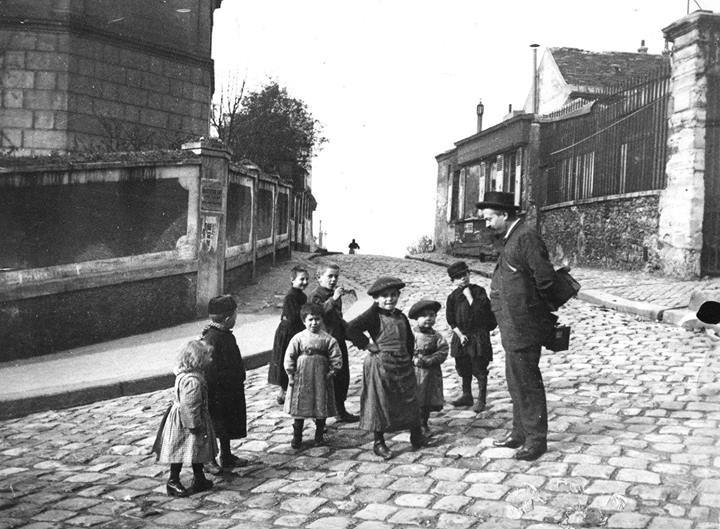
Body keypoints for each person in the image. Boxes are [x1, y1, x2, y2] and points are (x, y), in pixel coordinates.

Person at [477, 191, 558, 461]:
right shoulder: (512, 238)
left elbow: (545, 279)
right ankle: (519, 432)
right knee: (515, 382)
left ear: (504, 215)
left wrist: (534, 315)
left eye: (489, 218)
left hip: (524, 326)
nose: (486, 224)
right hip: (513, 326)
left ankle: (536, 440)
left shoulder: (525, 237)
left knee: (527, 382)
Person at [346, 276, 425, 460]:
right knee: (380, 402)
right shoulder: (373, 315)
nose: (389, 299)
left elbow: (409, 339)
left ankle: (416, 435)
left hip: (402, 364)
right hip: (381, 364)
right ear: (376, 298)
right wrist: (367, 344)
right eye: (385, 296)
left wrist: (410, 355)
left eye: (393, 295)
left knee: (410, 398)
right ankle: (379, 442)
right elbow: (350, 329)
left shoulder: (400, 316)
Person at [152, 340, 216, 497]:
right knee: (180, 450)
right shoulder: (193, 381)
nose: (211, 359)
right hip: (187, 421)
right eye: (208, 357)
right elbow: (190, 405)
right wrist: (194, 425)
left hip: (182, 418)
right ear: (198, 360)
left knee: (197, 450)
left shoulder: (184, 375)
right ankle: (173, 480)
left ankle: (199, 478)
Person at [284, 303, 343, 449]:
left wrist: (333, 372)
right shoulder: (298, 338)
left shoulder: (328, 339)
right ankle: (297, 437)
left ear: (322, 320)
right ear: (304, 321)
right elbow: (289, 356)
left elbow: (336, 357)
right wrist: (291, 373)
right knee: (300, 405)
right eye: (310, 320)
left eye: (317, 319)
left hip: (321, 377)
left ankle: (319, 436)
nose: (314, 323)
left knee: (320, 403)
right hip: (302, 376)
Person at [202, 294, 248, 473]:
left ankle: (226, 455)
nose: (236, 319)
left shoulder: (222, 334)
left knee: (226, 424)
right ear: (228, 318)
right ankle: (209, 459)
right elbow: (210, 369)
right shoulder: (213, 338)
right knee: (216, 425)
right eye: (236, 315)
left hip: (229, 389)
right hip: (219, 391)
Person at [309, 264, 359, 422]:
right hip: (324, 344)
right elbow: (317, 314)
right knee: (325, 379)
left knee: (343, 376)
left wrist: (354, 335)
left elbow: (338, 319)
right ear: (319, 278)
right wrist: (334, 299)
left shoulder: (333, 294)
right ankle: (320, 417)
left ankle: (340, 409)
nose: (333, 280)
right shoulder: (315, 295)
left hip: (338, 340)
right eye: (329, 276)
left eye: (336, 276)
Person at [445, 260, 497, 413]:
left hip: (478, 336)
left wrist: (469, 297)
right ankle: (467, 394)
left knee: (479, 367)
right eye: (458, 277)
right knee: (463, 366)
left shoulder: (478, 291)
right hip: (462, 337)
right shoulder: (452, 297)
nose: (463, 278)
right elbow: (451, 320)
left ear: (469, 274)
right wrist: (460, 335)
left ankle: (481, 399)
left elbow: (482, 314)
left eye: (465, 275)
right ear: (453, 281)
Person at [268, 265, 310, 405]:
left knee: (293, 360)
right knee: (286, 360)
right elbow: (293, 317)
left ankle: (286, 391)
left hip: (294, 331)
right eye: (301, 279)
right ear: (292, 280)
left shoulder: (301, 296)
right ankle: (284, 391)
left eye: (306, 279)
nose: (304, 282)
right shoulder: (291, 296)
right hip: (288, 333)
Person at [408, 299, 448, 434]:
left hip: (430, 373)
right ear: (416, 318)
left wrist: (430, 360)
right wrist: (412, 359)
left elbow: (443, 351)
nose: (428, 319)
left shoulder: (437, 336)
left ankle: (424, 423)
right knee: (414, 398)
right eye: (424, 316)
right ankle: (413, 423)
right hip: (413, 372)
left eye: (432, 315)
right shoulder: (411, 334)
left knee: (427, 400)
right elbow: (404, 349)